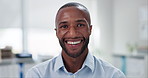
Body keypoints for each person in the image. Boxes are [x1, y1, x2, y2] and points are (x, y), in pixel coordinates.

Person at [26, 2, 126, 78]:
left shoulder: (113, 75)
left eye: (80, 25)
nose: (73, 34)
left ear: (90, 29)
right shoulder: (37, 75)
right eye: (64, 26)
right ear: (57, 32)